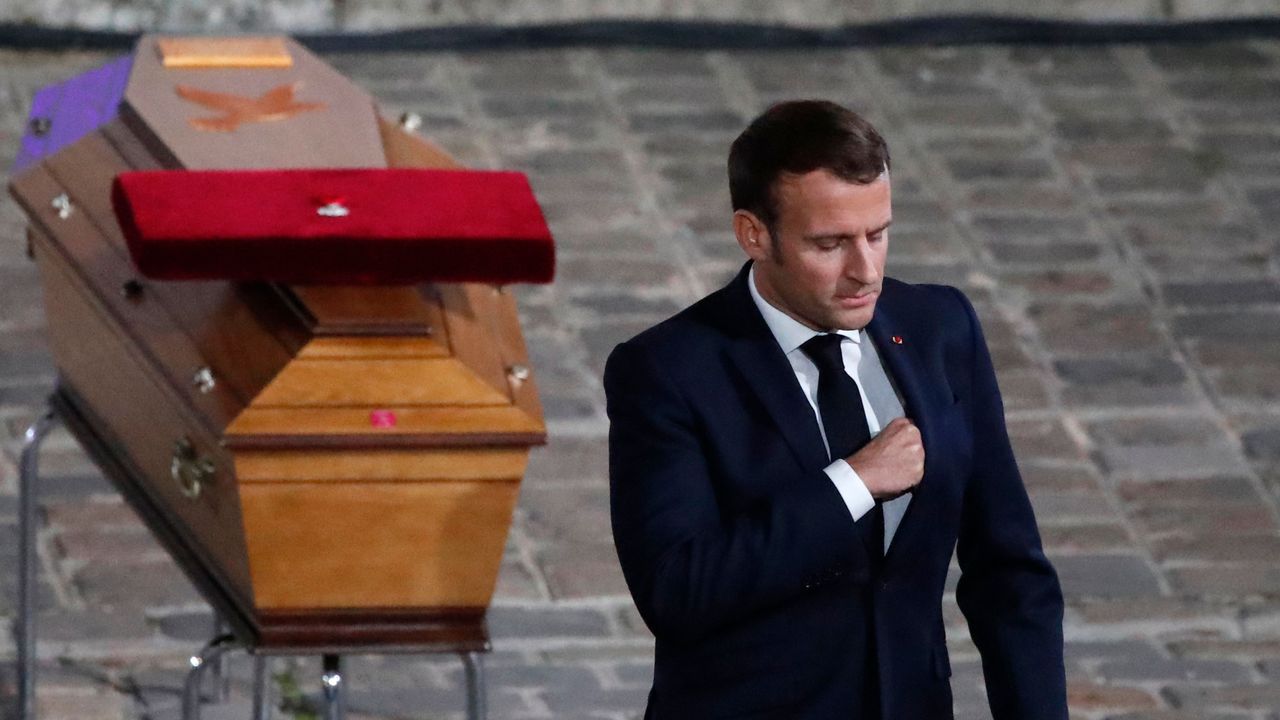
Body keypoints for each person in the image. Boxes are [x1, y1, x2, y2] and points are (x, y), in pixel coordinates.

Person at [603, 100, 1068, 719]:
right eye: (830, 244)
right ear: (754, 234)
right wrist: (852, 483)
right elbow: (678, 590)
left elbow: (1009, 574)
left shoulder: (939, 328)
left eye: (878, 234)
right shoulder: (669, 371)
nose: (865, 271)